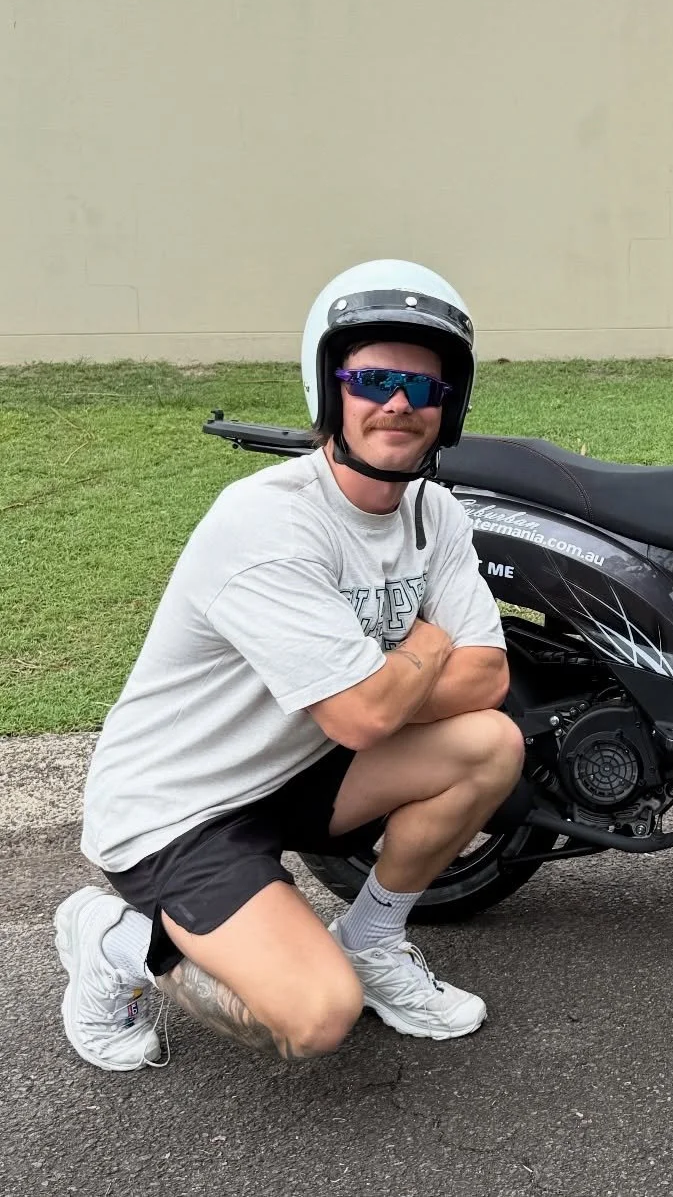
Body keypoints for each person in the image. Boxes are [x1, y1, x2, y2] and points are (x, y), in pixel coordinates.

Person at [55, 259, 525, 1069]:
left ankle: (372, 943)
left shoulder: (432, 510)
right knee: (315, 1017)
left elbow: (487, 677)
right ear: (329, 387)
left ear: (449, 408)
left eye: (424, 389)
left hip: (294, 769)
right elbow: (361, 718)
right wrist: (422, 643)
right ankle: (113, 940)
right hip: (177, 808)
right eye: (374, 378)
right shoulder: (267, 523)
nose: (399, 404)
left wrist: (393, 679)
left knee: (491, 743)